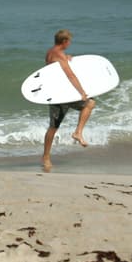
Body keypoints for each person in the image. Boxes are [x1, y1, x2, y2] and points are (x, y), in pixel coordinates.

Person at [41, 28, 96, 171]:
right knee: (53, 127)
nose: (69, 44)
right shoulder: (59, 54)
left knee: (90, 103)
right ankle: (46, 157)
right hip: (59, 96)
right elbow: (70, 75)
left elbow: (55, 67)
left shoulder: (51, 52)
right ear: (64, 41)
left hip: (64, 92)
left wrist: (67, 59)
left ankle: (78, 132)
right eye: (69, 41)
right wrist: (82, 92)